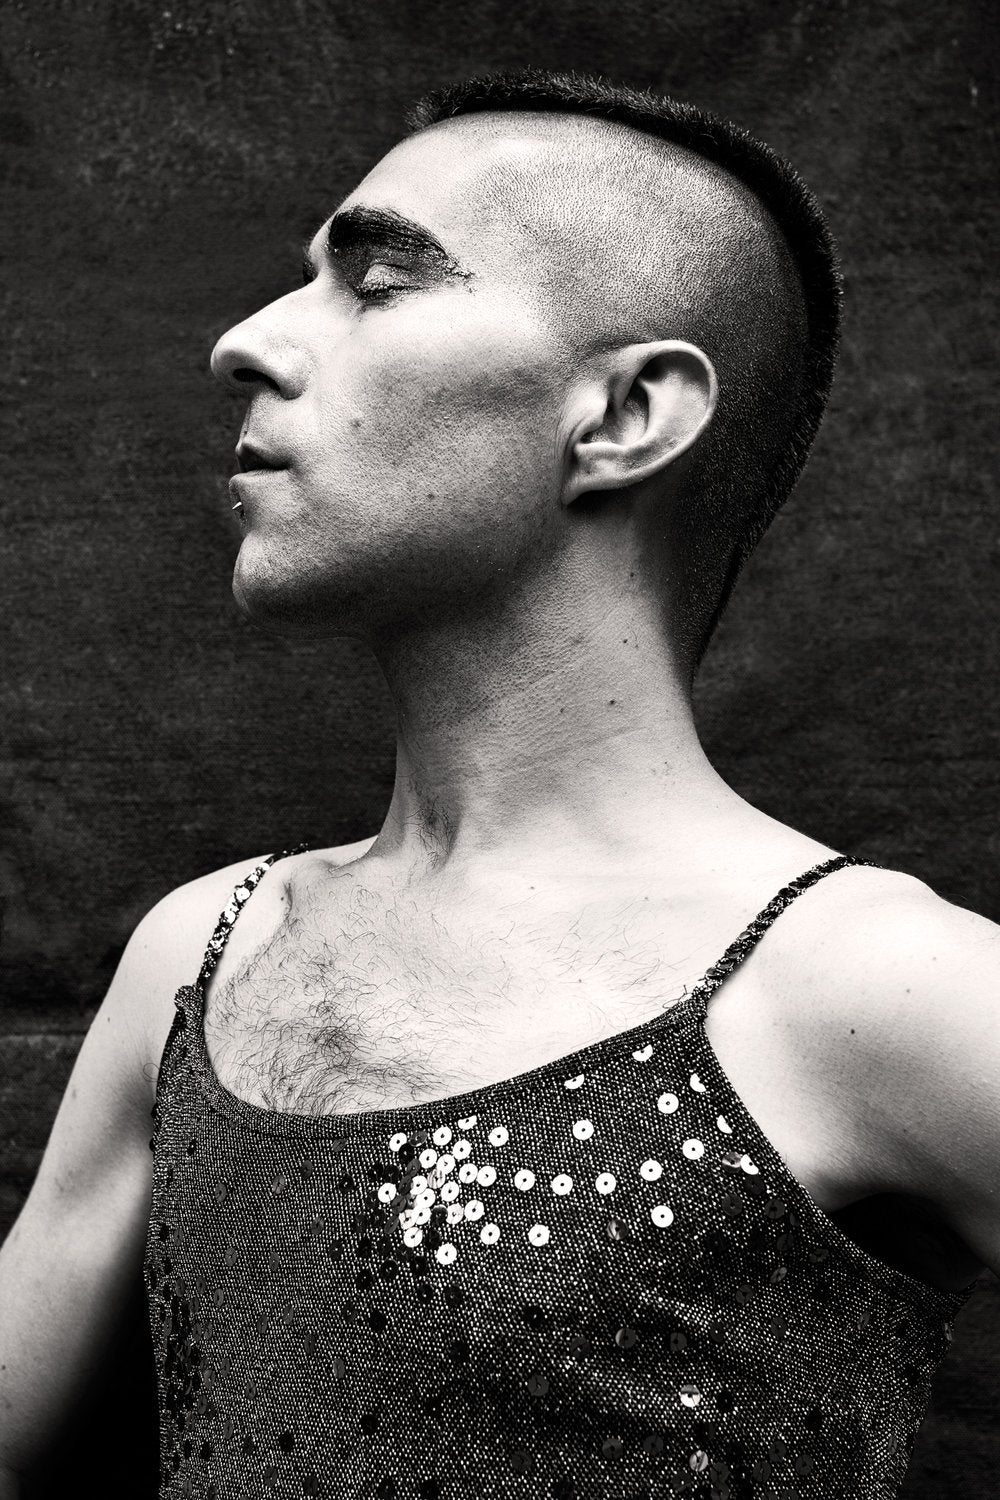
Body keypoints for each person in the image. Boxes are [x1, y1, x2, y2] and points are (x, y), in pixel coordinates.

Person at [1, 67, 996, 1500]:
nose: (244, 344)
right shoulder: (203, 956)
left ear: (625, 414)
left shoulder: (875, 990)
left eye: (376, 284)